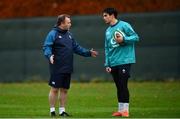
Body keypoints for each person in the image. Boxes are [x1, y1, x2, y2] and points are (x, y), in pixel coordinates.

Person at [43, 14, 98, 117]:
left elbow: (76, 48)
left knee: (64, 89)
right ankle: (52, 111)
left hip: (67, 66)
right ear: (62, 23)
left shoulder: (69, 35)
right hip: (57, 66)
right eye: (68, 22)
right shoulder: (53, 33)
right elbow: (46, 47)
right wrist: (49, 56)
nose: (70, 24)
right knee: (55, 89)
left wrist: (88, 53)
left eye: (70, 22)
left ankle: (62, 111)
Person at [102, 8, 139, 117]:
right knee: (118, 86)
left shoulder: (124, 25)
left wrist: (124, 39)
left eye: (105, 15)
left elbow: (136, 37)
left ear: (112, 15)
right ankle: (120, 110)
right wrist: (107, 63)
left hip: (125, 60)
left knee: (123, 84)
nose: (103, 18)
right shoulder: (108, 30)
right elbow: (107, 48)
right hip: (113, 62)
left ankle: (126, 110)